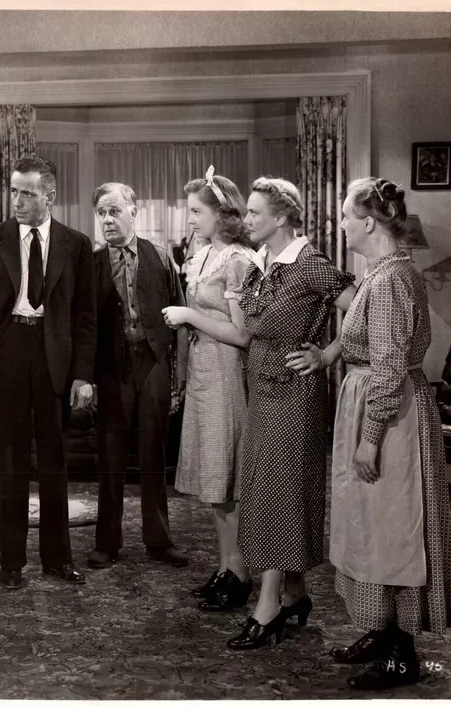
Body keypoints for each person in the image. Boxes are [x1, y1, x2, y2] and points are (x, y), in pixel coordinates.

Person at [0, 155, 95, 590]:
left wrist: (83, 375)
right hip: (9, 351)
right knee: (9, 462)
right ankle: (11, 562)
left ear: (50, 196)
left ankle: (58, 559)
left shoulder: (76, 244)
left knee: (54, 462)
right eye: (14, 191)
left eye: (28, 193)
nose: (18, 201)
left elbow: (86, 317)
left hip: (54, 357)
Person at [327, 178, 451, 690]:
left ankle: (402, 651)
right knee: (371, 526)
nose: (341, 224)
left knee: (393, 527)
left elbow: (387, 365)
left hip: (391, 415)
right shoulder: (382, 273)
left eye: (345, 215)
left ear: (367, 223)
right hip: (376, 404)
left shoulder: (391, 280)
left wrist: (372, 435)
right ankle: (381, 633)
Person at [227, 177, 357, 649]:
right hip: (262, 391)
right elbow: (250, 328)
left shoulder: (308, 263)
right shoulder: (262, 264)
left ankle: (269, 606)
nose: (246, 220)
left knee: (278, 495)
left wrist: (327, 354)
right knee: (267, 491)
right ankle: (295, 592)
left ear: (281, 217)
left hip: (294, 395)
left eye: (254, 213)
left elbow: (362, 307)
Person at [162, 168, 254, 611]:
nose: (191, 219)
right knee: (215, 483)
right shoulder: (201, 257)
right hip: (202, 373)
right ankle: (224, 568)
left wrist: (188, 315)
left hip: (226, 373)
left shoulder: (238, 260)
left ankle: (239, 574)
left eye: (197, 212)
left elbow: (242, 334)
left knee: (227, 483)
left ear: (223, 214)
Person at [86, 182, 188, 571]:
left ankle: (158, 540)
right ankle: (106, 542)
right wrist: (87, 378)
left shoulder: (160, 257)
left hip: (154, 363)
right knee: (110, 458)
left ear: (134, 212)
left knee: (154, 454)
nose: (107, 220)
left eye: (114, 211)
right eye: (101, 213)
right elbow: (84, 328)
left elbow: (180, 315)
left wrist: (180, 373)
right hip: (111, 370)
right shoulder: (91, 264)